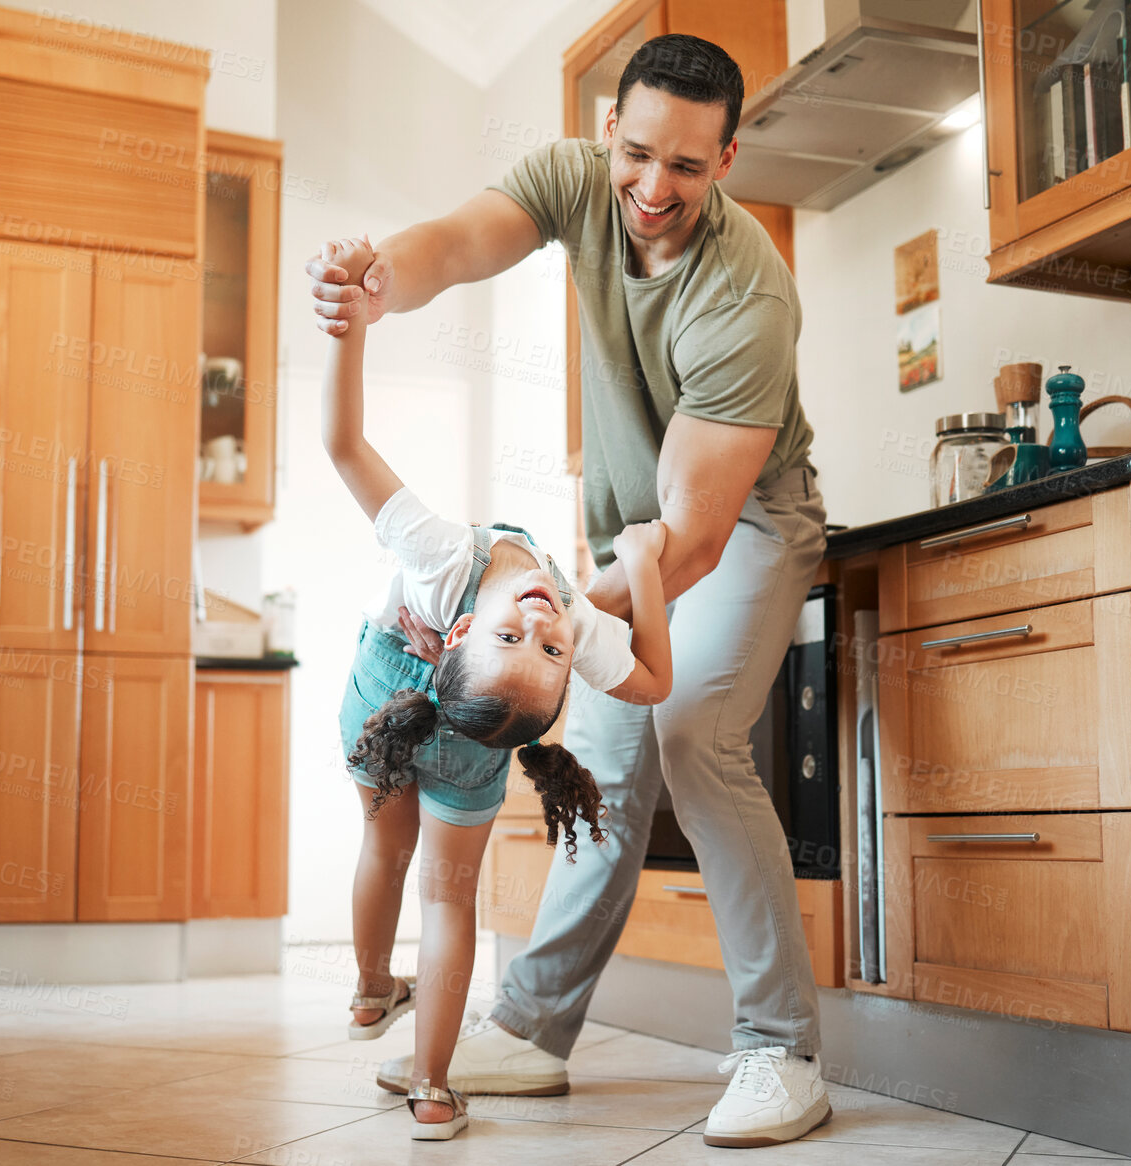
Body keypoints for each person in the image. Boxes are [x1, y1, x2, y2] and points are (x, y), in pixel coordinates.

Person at [306, 34, 832, 1148]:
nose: (654, 187)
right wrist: (378, 281)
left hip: (738, 527)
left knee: (691, 732)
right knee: (600, 762)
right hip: (620, 544)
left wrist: (542, 615)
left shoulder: (746, 294)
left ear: (727, 158)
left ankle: (780, 1048)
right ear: (608, 132)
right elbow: (457, 242)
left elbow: (688, 538)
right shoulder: (574, 180)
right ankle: (533, 1028)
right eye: (637, 153)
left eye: (686, 166)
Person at [319, 235, 673, 1140]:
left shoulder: (446, 560)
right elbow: (650, 683)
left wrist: (349, 330)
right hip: (441, 727)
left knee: (389, 849)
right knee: (444, 896)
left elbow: (343, 445)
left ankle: (372, 992)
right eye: (543, 645)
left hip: (394, 704)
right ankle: (430, 1088)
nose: (543, 623)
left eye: (531, 641)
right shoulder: (577, 621)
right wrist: (642, 572)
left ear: (464, 634)